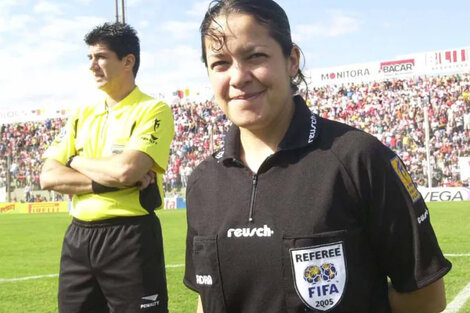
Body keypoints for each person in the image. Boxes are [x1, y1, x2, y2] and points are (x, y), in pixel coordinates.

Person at [183, 1, 451, 312]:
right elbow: (206, 302)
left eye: (255, 56)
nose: (238, 76)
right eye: (220, 63)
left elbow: (427, 297)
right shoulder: (203, 181)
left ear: (292, 60)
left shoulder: (359, 159)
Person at [40, 22, 174, 313]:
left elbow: (126, 171)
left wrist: (75, 161)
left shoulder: (154, 109)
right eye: (89, 58)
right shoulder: (81, 114)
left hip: (129, 237)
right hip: (78, 238)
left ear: (128, 61)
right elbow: (48, 176)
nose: (92, 66)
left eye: (100, 57)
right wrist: (105, 181)